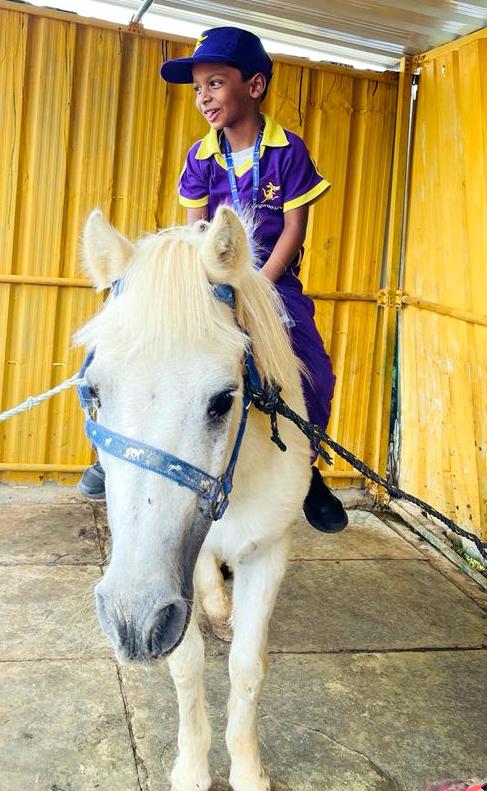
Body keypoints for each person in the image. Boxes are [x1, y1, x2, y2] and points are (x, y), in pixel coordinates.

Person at [79, 26, 348, 534]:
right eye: (199, 88)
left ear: (254, 85)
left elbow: (293, 227)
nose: (204, 98)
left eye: (216, 83)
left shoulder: (287, 149)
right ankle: (105, 452)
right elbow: (194, 229)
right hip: (209, 280)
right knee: (133, 346)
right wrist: (199, 288)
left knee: (313, 368)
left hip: (273, 283)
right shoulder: (200, 156)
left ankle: (306, 468)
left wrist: (261, 286)